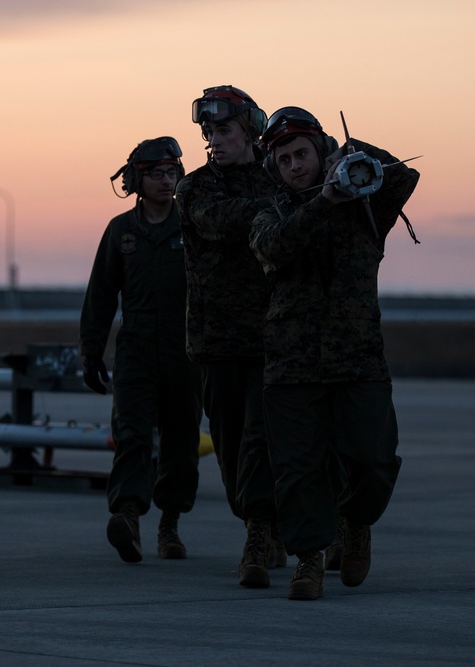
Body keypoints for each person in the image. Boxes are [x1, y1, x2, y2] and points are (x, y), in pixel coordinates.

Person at [249, 106, 419, 600]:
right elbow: (276, 248)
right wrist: (323, 200)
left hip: (358, 359)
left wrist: (348, 155)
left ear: (321, 154)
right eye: (284, 160)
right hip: (290, 364)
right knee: (298, 471)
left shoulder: (367, 204)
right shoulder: (269, 213)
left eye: (303, 153)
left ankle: (356, 522)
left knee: (374, 460)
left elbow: (405, 176)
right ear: (274, 169)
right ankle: (309, 560)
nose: (295, 165)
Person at [174, 85, 283, 588]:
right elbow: (216, 221)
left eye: (225, 130)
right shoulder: (195, 188)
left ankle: (259, 536)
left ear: (250, 133)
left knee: (263, 442)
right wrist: (277, 211)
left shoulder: (279, 179)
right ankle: (258, 521)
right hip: (215, 341)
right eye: (209, 131)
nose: (215, 139)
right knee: (231, 448)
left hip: (271, 338)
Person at [80, 137, 202, 563]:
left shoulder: (194, 226)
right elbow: (100, 297)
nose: (166, 182)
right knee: (132, 435)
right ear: (136, 179)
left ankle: (169, 524)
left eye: (172, 173)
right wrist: (90, 353)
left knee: (181, 443)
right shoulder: (121, 232)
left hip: (186, 354)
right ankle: (127, 516)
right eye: (155, 174)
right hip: (135, 353)